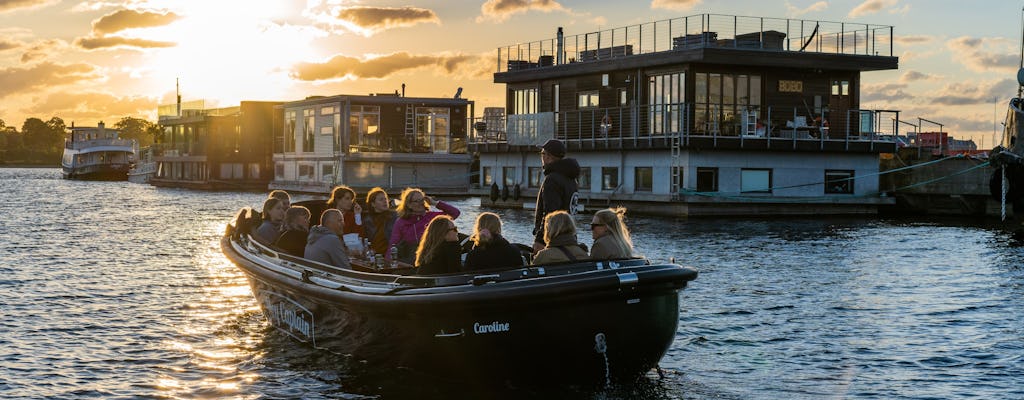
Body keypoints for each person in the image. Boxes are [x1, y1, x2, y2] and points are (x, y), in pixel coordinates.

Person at [532, 139, 581, 254]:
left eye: (542, 153)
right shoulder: (571, 179)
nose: (542, 157)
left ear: (548, 157)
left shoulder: (552, 180)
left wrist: (539, 240)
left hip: (553, 240)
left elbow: (550, 213)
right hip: (570, 238)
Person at [389, 188, 460, 264]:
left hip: (433, 256)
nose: (421, 203)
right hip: (411, 258)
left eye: (422, 200)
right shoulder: (401, 222)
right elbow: (393, 243)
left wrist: (435, 203)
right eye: (416, 201)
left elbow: (455, 213)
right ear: (409, 205)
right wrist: (389, 262)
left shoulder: (432, 217)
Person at [362, 187, 397, 255]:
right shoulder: (367, 220)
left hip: (392, 253)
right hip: (374, 255)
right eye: (381, 199)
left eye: (385, 199)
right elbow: (365, 240)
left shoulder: (394, 216)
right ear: (373, 204)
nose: (385, 201)